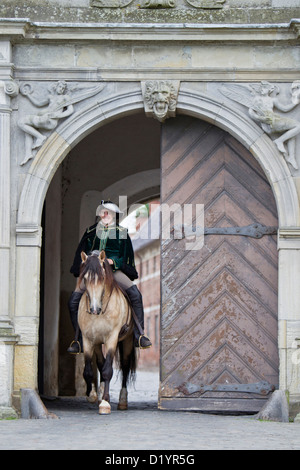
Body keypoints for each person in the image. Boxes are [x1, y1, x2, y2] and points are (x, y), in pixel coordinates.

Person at [67, 200, 152, 354]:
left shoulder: (122, 232)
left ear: (114, 215)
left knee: (135, 294)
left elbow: (125, 256)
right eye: (103, 212)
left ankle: (139, 335)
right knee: (73, 300)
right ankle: (78, 339)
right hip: (93, 272)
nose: (106, 215)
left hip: (113, 271)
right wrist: (87, 264)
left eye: (109, 213)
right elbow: (82, 253)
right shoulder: (90, 232)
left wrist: (114, 261)